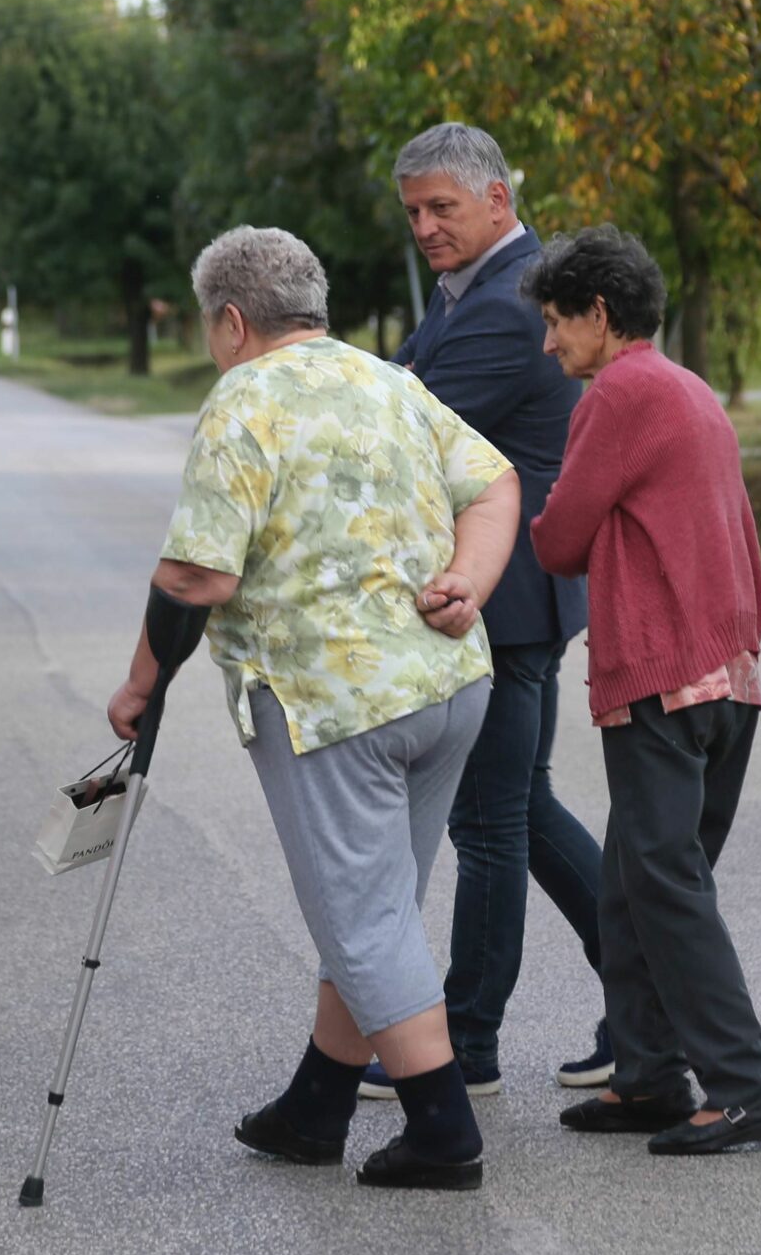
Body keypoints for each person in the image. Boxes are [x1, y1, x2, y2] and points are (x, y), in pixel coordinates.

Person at [106, 225, 522, 1191]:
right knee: (375, 906)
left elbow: (195, 576)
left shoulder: (240, 400)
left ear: (234, 321)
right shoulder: (389, 380)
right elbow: (497, 482)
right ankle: (318, 1104)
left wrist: (140, 687)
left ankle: (443, 1130)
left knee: (365, 919)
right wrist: (468, 577)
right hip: (450, 684)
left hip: (334, 708)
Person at [525, 225, 761, 1156]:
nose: (550, 342)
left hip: (662, 681)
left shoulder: (622, 392)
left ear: (601, 315)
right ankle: (646, 1078)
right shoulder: (689, 389)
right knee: (632, 883)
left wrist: (514, 513)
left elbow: (561, 539)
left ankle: (748, 1089)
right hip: (726, 679)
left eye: (558, 322)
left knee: (666, 885)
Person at [361, 121, 612, 1103]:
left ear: (498, 201)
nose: (425, 227)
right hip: (504, 596)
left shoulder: (512, 305)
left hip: (507, 599)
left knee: (492, 821)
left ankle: (466, 1045)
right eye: (414, 212)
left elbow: (401, 431)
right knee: (519, 809)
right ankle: (647, 999)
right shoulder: (466, 288)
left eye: (442, 209)